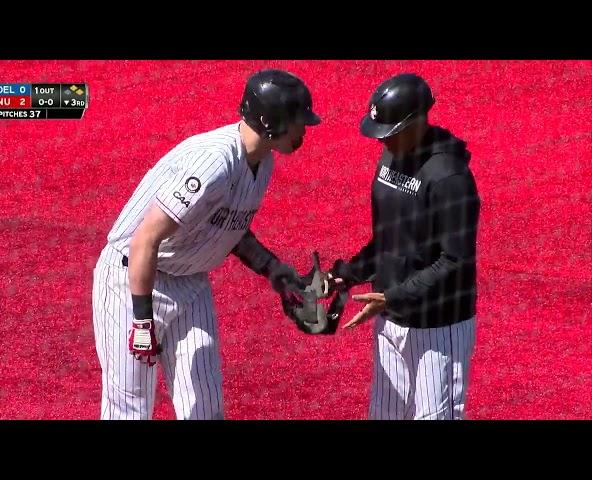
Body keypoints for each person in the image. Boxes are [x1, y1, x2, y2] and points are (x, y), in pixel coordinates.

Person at [92, 69, 321, 419]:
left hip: (191, 282)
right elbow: (145, 238)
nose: (304, 130)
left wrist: (277, 271)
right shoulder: (214, 163)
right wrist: (142, 322)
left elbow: (228, 228)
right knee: (130, 407)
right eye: (297, 121)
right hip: (133, 279)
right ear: (271, 121)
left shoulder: (263, 160)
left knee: (205, 405)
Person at [328, 73, 481, 420]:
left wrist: (392, 296)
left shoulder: (449, 177)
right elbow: (388, 239)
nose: (384, 143)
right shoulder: (389, 162)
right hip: (389, 317)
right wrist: (347, 275)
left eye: (391, 133)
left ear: (417, 122)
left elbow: (455, 260)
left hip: (438, 329)